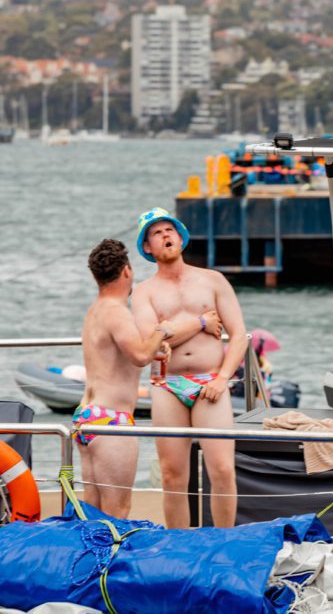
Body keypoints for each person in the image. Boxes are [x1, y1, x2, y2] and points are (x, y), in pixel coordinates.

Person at [132, 207, 247, 529]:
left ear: (180, 238)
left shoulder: (213, 281)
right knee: (172, 474)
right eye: (156, 233)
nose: (165, 235)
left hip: (211, 381)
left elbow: (239, 335)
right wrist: (200, 322)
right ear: (147, 248)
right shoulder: (144, 292)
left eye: (170, 229)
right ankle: (178, 543)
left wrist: (223, 378)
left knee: (222, 469)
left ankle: (225, 540)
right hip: (167, 384)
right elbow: (151, 343)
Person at [78, 238, 175, 518]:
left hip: (87, 417)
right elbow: (140, 356)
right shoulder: (118, 313)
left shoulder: (95, 310)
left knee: (92, 512)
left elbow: (114, 356)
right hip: (112, 421)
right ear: (127, 272)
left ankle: (94, 562)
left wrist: (152, 348)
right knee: (117, 511)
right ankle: (110, 563)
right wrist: (162, 332)